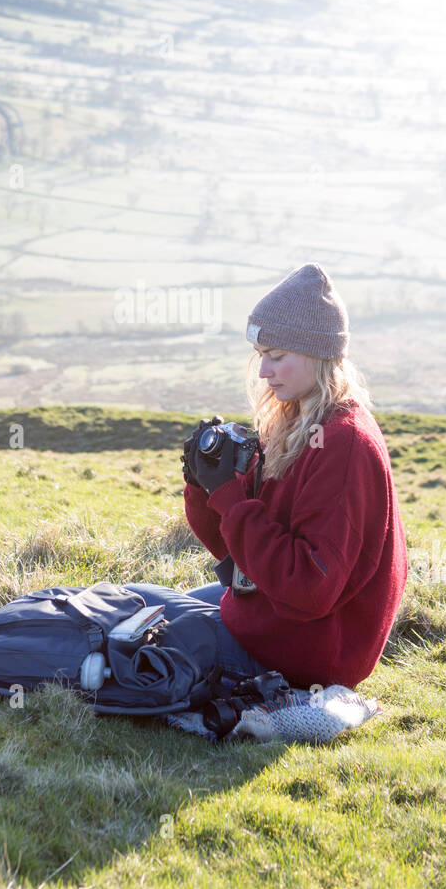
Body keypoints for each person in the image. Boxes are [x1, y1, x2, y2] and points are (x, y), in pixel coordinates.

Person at [134, 263, 408, 689]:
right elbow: (235, 554)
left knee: (140, 645)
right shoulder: (299, 423)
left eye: (278, 357)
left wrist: (231, 498)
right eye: (262, 357)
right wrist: (205, 486)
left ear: (319, 356)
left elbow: (309, 588)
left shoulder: (343, 443)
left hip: (313, 649)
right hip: (275, 614)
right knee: (141, 610)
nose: (264, 372)